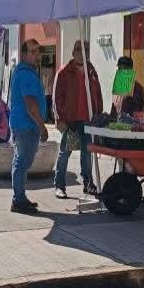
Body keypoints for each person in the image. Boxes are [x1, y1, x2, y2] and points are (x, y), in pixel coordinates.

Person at [52, 40, 103, 199]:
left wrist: (98, 114)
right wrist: (59, 118)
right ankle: (59, 185)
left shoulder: (91, 71)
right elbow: (57, 97)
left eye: (86, 50)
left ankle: (88, 184)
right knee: (65, 153)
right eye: (79, 50)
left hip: (88, 120)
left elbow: (98, 94)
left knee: (87, 154)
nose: (83, 53)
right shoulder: (65, 72)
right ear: (73, 53)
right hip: (71, 120)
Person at [9, 39, 48, 214]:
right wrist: (42, 126)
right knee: (22, 161)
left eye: (37, 51)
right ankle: (18, 200)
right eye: (32, 52)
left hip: (23, 124)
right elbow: (31, 103)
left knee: (23, 161)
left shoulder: (26, 72)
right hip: (26, 125)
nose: (36, 55)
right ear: (24, 55)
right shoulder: (26, 74)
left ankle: (20, 198)